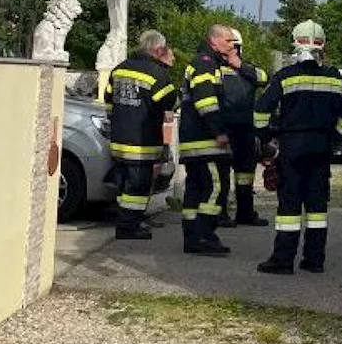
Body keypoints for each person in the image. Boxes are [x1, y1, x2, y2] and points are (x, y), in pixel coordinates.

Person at [253, 20, 342, 275]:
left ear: (296, 45)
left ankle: (283, 260)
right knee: (317, 207)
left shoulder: (285, 77)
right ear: (323, 46)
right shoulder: (334, 77)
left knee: (289, 206)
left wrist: (267, 139)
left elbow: (260, 111)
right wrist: (337, 138)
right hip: (321, 148)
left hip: (291, 147)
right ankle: (314, 260)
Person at [103, 30, 178, 240]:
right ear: (158, 49)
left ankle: (125, 221)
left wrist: (118, 120)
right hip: (142, 141)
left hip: (118, 139)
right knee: (138, 187)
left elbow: (108, 101)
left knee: (124, 184)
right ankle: (129, 227)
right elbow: (170, 102)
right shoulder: (157, 74)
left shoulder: (119, 69)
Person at [178, 24, 241, 256]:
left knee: (195, 189)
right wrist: (219, 131)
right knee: (215, 187)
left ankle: (192, 237)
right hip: (206, 141)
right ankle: (205, 236)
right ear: (214, 41)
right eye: (228, 41)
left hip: (193, 141)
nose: (232, 45)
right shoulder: (206, 64)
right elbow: (206, 102)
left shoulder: (202, 62)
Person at [216, 27, 270, 227]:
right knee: (221, 174)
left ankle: (245, 213)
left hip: (245, 129)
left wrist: (240, 66)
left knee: (245, 174)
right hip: (222, 128)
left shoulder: (248, 70)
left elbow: (265, 78)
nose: (230, 50)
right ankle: (219, 214)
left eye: (234, 47)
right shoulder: (214, 69)